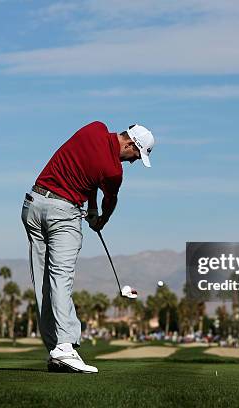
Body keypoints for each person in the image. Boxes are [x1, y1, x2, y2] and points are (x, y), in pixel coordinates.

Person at [21, 121, 155, 373]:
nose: (134, 161)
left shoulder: (94, 128)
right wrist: (101, 219)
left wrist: (90, 208)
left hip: (33, 205)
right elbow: (110, 199)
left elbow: (88, 171)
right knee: (61, 279)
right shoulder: (114, 172)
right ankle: (64, 346)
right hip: (63, 214)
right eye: (136, 155)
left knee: (43, 283)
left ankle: (55, 350)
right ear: (129, 144)